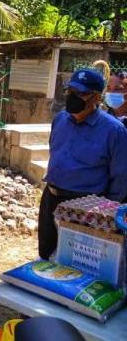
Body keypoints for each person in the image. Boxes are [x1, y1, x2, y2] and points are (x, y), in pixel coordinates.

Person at [39, 68, 127, 260]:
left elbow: (121, 179)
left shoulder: (114, 131)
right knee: (46, 256)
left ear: (96, 97)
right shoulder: (60, 120)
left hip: (85, 208)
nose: (74, 97)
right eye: (71, 91)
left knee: (75, 262)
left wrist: (104, 214)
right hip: (51, 198)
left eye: (81, 93)